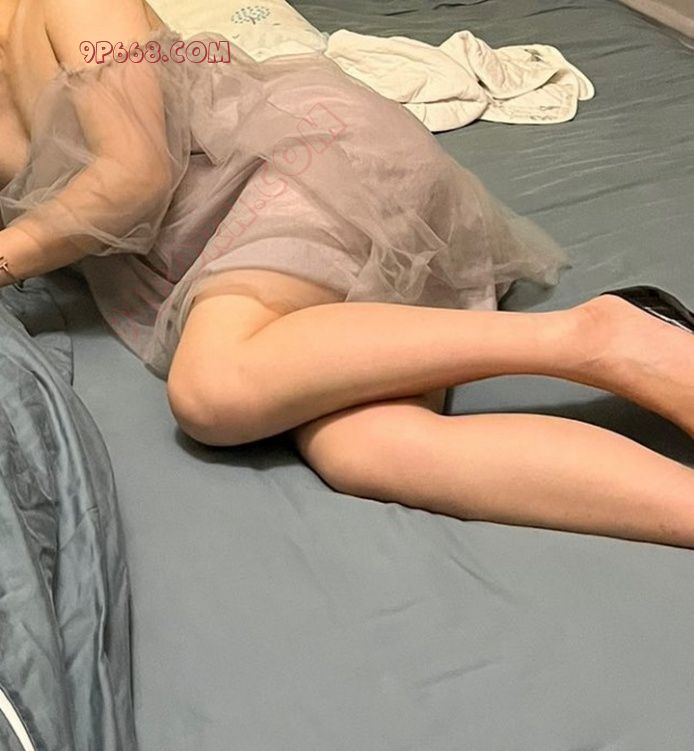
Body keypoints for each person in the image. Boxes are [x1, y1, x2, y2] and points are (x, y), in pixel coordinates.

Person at [1, 0, 694, 549]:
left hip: (301, 168)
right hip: (218, 253)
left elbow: (134, 176)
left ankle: (594, 336)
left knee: (213, 389)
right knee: (366, 449)